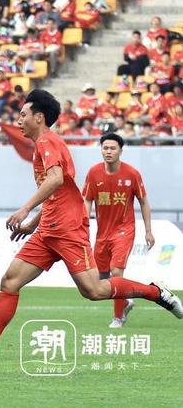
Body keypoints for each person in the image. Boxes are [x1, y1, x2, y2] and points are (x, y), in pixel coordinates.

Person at [0, 89, 182, 360]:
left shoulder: (47, 141)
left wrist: (25, 209)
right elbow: (58, 191)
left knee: (93, 290)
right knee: (10, 281)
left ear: (39, 117)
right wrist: (33, 223)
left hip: (68, 229)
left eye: (23, 115)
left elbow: (56, 179)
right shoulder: (45, 144)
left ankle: (155, 293)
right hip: (48, 229)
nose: (19, 120)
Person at [83, 133, 155, 328]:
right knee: (98, 280)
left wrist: (148, 231)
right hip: (102, 233)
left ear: (121, 151)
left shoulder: (132, 174)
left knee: (116, 272)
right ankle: (125, 300)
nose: (108, 151)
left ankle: (117, 318)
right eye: (105, 148)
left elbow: (143, 202)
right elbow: (87, 199)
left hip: (124, 230)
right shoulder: (93, 172)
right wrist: (83, 223)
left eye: (113, 148)